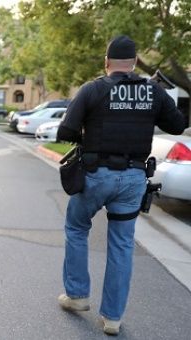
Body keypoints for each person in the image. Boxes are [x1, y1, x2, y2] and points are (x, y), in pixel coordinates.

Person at [56, 35, 186, 335]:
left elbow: (66, 129)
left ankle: (77, 296)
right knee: (122, 245)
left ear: (107, 62)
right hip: (133, 179)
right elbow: (177, 125)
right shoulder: (152, 91)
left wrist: (88, 131)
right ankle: (112, 318)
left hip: (95, 176)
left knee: (77, 226)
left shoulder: (94, 89)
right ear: (135, 62)